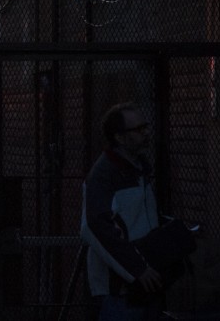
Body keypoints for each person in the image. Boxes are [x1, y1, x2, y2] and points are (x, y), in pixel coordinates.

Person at [81, 102, 164, 320]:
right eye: (138, 129)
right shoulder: (104, 175)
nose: (145, 133)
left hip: (143, 284)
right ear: (119, 137)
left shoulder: (137, 169)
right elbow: (96, 226)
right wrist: (137, 269)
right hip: (120, 291)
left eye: (145, 127)